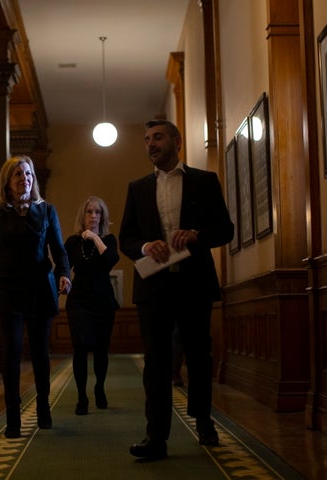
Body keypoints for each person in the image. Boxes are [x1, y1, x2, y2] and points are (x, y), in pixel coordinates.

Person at [119, 119, 234, 460]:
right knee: (156, 362)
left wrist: (197, 234)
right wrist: (144, 247)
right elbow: (127, 237)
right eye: (146, 139)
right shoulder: (137, 187)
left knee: (199, 356)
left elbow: (225, 230)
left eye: (157, 137)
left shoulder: (204, 181)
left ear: (176, 141)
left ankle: (203, 421)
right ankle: (156, 437)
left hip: (193, 283)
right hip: (153, 287)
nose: (150, 144)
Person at [0, 155, 71, 439]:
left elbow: (58, 249)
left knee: (40, 354)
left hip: (41, 289)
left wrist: (64, 274)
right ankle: (13, 418)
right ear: (8, 182)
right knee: (11, 353)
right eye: (17, 175)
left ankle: (43, 408)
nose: (24, 179)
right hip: (8, 291)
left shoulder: (47, 210)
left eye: (28, 174)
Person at [64, 196, 120, 415]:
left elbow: (111, 261)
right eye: (89, 212)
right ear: (83, 215)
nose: (93, 216)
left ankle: (99, 387)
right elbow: (63, 267)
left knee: (101, 351)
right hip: (78, 301)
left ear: (102, 217)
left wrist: (96, 239)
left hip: (103, 302)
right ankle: (81, 397)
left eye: (98, 212)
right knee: (79, 348)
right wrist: (63, 278)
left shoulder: (109, 239)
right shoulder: (72, 242)